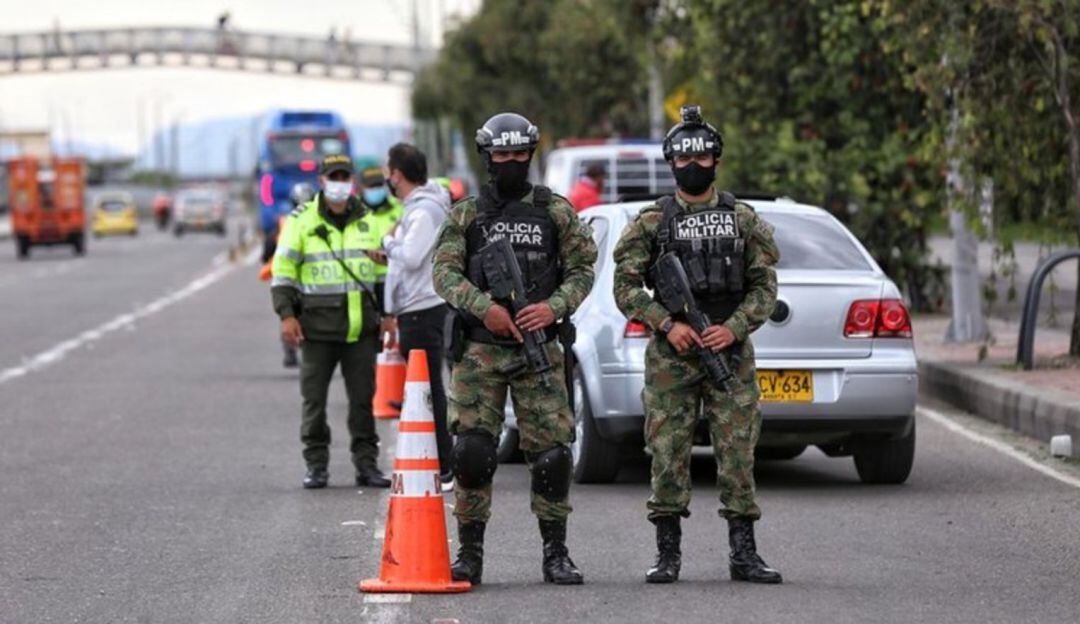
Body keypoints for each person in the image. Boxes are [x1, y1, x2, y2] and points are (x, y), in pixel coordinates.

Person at [612, 105, 783, 584]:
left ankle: (743, 555)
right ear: (671, 162)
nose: (693, 166)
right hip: (673, 358)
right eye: (685, 159)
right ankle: (668, 555)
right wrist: (667, 324)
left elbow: (765, 287)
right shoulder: (650, 223)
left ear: (716, 161)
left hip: (729, 351)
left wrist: (735, 327)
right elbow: (624, 288)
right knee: (667, 452)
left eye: (703, 158)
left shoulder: (742, 219)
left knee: (738, 454)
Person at [432, 112, 597, 586]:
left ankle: (556, 552)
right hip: (481, 350)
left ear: (530, 155)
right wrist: (484, 308)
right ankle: (469, 554)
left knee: (551, 455)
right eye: (501, 155)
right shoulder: (466, 214)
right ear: (487, 157)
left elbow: (583, 269)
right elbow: (443, 274)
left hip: (539, 350)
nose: (509, 162)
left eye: (518, 154)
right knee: (472, 452)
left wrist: (553, 307)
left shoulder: (555, 211)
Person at [270, 154, 391, 490]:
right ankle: (316, 465)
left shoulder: (368, 220)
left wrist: (388, 315)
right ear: (322, 181)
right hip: (317, 330)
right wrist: (287, 316)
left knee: (363, 402)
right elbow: (283, 273)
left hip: (361, 330)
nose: (340, 183)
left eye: (344, 176)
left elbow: (383, 276)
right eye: (333, 177)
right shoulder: (301, 221)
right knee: (314, 402)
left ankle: (366, 466)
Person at [380, 143, 453, 483]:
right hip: (414, 308)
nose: (386, 179)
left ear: (397, 174)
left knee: (429, 391)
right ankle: (435, 461)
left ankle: (445, 466)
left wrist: (387, 244)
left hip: (423, 309)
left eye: (387, 172)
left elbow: (410, 257)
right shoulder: (418, 208)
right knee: (425, 389)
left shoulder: (424, 211)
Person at [356, 166, 403, 312]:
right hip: (365, 285)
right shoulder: (354, 212)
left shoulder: (399, 208)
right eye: (371, 186)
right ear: (361, 187)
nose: (375, 189)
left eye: (379, 185)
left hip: (396, 280)